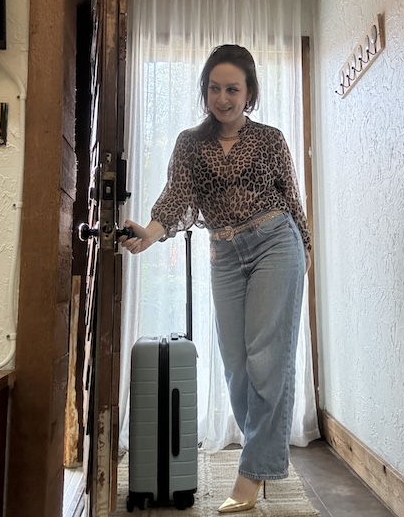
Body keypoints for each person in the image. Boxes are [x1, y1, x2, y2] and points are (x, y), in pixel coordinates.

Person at [120, 44, 312, 513]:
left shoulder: (270, 139)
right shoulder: (191, 143)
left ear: (250, 93)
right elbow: (177, 199)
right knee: (236, 364)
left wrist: (305, 248)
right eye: (214, 88)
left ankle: (251, 475)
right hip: (224, 253)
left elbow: (291, 197)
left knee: (268, 358)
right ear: (204, 91)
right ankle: (262, 452)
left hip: (274, 243)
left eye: (233, 89)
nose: (222, 98)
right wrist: (149, 232)